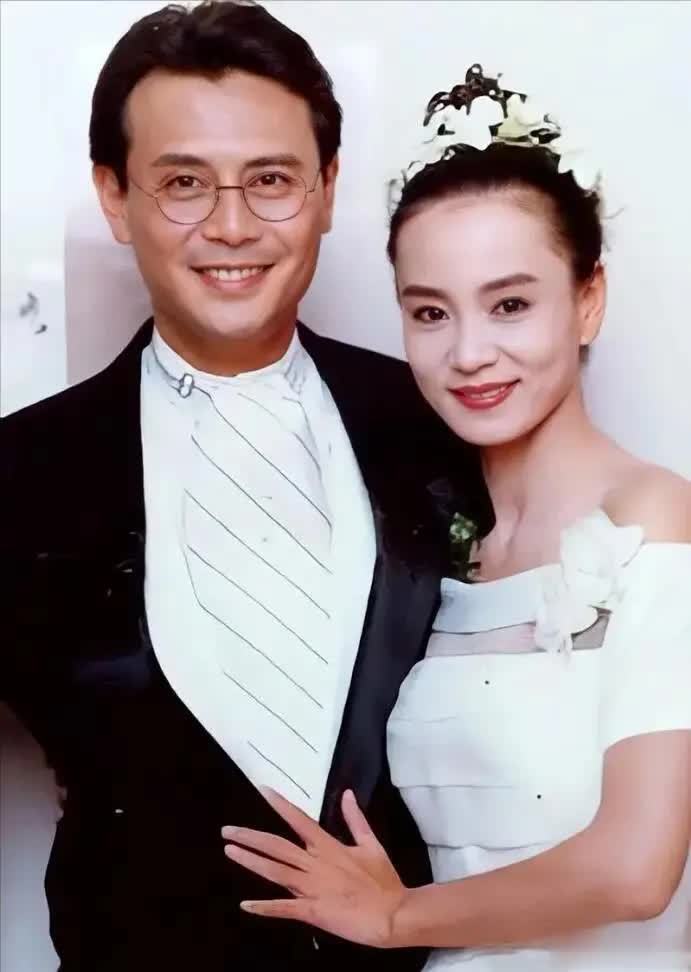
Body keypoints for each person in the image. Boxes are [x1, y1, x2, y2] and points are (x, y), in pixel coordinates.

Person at [0, 5, 489, 970]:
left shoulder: (440, 423)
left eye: (270, 180)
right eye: (184, 183)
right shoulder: (21, 471)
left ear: (326, 189)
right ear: (114, 196)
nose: (231, 226)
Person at [221, 65, 691, 971]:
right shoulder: (436, 550)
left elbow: (637, 871)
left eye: (510, 304)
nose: (468, 352)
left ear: (587, 298)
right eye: (430, 312)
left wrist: (396, 916)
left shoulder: (655, 521)